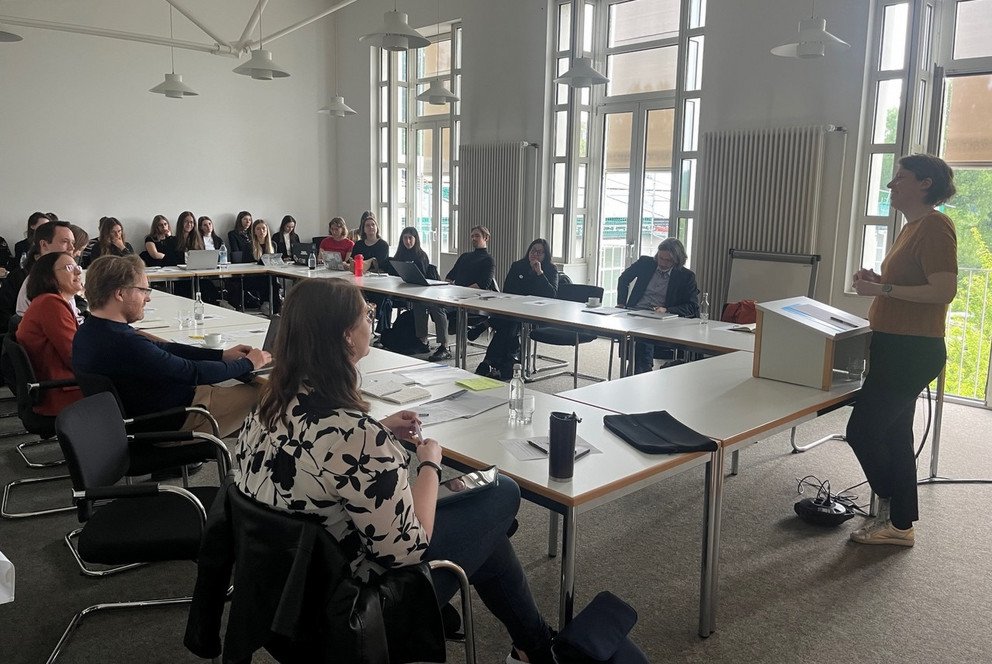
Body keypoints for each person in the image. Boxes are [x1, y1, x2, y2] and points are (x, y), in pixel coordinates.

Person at [235, 279, 555, 664]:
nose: (371, 322)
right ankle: (536, 647)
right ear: (346, 338)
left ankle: (533, 647)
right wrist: (430, 464)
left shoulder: (269, 404)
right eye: (366, 316)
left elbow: (311, 461)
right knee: (502, 493)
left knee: (487, 535)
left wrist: (380, 430)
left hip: (282, 591)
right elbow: (409, 548)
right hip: (352, 608)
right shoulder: (356, 436)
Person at [846, 155, 958, 547]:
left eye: (900, 178)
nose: (892, 185)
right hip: (894, 342)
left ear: (925, 184)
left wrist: (883, 290)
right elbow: (908, 285)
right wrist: (878, 281)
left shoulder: (935, 227)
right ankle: (900, 524)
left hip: (913, 349)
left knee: (862, 430)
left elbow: (944, 291)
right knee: (895, 436)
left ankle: (892, 507)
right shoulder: (910, 228)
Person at [72, 255, 271, 438]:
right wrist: (248, 363)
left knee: (231, 383)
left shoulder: (90, 331)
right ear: (120, 294)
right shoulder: (125, 343)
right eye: (143, 290)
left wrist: (221, 355)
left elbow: (164, 350)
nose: (148, 297)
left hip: (150, 413)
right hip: (173, 420)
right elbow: (192, 372)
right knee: (268, 392)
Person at [476, 239, 558, 380]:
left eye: (539, 252)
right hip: (515, 309)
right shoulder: (518, 266)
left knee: (508, 324)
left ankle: (490, 360)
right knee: (511, 324)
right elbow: (508, 289)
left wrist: (539, 273)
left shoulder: (551, 270)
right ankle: (507, 364)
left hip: (538, 313)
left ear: (546, 255)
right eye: (533, 251)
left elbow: (552, 295)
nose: (535, 255)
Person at [617, 238, 700, 374]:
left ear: (677, 260)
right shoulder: (646, 263)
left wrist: (667, 310)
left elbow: (692, 306)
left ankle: (638, 374)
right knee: (641, 335)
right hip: (635, 312)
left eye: (668, 261)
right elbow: (624, 278)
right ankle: (641, 373)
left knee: (643, 336)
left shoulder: (686, 276)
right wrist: (621, 303)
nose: (662, 263)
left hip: (662, 319)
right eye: (661, 258)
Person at [16, 252, 84, 415]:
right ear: (49, 276)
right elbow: (75, 356)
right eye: (69, 267)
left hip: (59, 387)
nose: (78, 272)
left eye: (77, 266)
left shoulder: (46, 301)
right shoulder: (51, 304)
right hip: (64, 393)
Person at [394, 226, 449, 360]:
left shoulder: (421, 255)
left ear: (415, 239)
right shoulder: (400, 254)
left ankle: (444, 346)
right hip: (411, 290)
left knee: (437, 308)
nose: (408, 241)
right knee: (418, 306)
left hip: (429, 291)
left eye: (410, 238)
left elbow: (423, 276)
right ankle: (423, 340)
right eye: (405, 238)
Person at [15, 220, 77, 318]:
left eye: (73, 243)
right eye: (65, 241)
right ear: (44, 245)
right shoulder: (41, 280)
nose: (72, 248)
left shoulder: (59, 274)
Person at [352, 212, 392, 330]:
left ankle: (380, 329)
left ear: (377, 227)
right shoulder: (359, 244)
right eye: (367, 225)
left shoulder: (383, 245)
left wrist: (367, 263)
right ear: (363, 229)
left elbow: (378, 264)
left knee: (382, 298)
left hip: (378, 281)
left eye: (373, 225)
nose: (371, 228)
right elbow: (353, 261)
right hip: (359, 279)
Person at [446, 225, 495, 289]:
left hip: (473, 296)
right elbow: (449, 277)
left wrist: (462, 291)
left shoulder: (488, 259)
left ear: (486, 238)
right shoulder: (464, 256)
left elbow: (483, 284)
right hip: (457, 294)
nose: (474, 239)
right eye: (472, 236)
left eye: (477, 236)